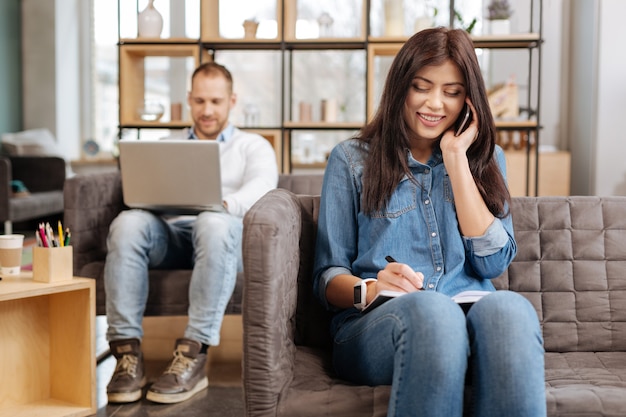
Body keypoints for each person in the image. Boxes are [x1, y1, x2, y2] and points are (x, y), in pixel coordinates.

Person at [313, 27, 546, 417]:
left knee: (511, 310)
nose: (434, 103)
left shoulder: (485, 161)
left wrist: (456, 161)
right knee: (434, 313)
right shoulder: (351, 160)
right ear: (401, 86)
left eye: (452, 92)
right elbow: (326, 277)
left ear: (468, 99)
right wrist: (368, 289)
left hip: (468, 316)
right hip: (378, 328)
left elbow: (493, 264)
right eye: (421, 87)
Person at [105, 62, 278, 404]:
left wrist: (222, 204)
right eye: (199, 101)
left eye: (215, 101)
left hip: (222, 238)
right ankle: (127, 356)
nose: (207, 110)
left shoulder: (253, 146)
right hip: (171, 235)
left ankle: (193, 354)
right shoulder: (165, 146)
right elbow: (141, 192)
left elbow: (263, 187)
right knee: (127, 222)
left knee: (213, 223)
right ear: (189, 100)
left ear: (232, 100)